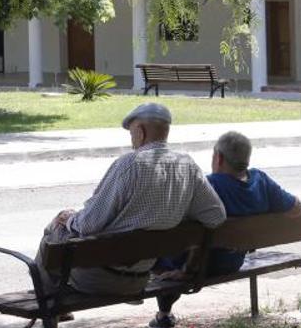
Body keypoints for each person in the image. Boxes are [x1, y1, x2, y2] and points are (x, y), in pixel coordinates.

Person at [38, 102, 226, 297]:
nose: (132, 141)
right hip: (140, 278)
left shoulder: (130, 164)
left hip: (97, 279)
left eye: (131, 134)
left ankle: (50, 306)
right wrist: (173, 211)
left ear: (140, 131)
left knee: (55, 227)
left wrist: (68, 218)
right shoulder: (187, 165)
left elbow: (87, 224)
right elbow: (216, 216)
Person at [149, 131, 301, 328]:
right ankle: (164, 314)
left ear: (218, 158)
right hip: (233, 262)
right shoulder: (261, 181)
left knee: (160, 251)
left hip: (198, 265)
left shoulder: (209, 185)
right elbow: (296, 208)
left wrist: (187, 270)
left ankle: (164, 316)